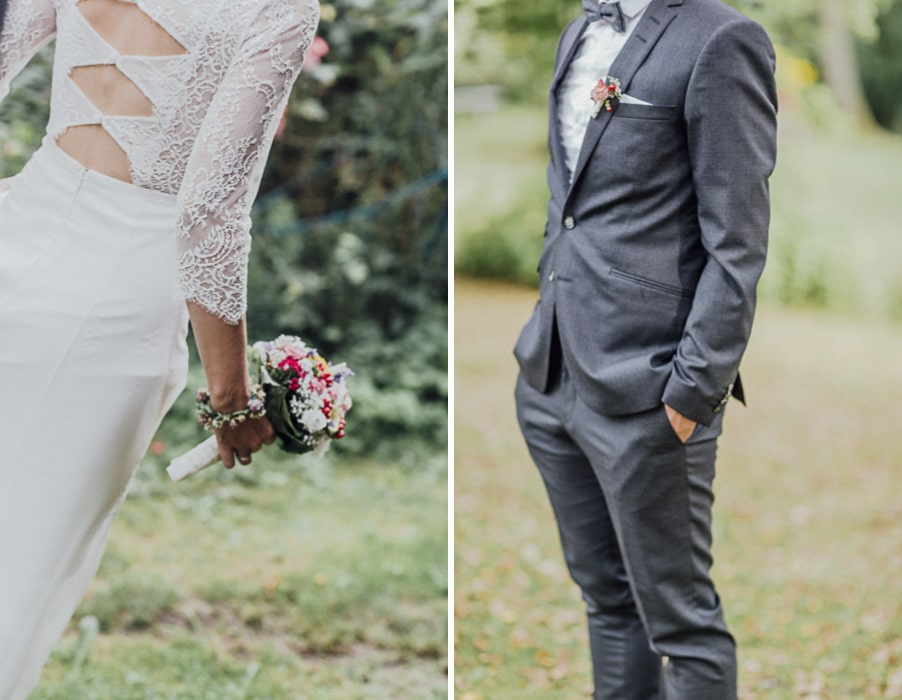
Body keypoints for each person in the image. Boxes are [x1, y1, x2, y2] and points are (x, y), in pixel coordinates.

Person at [0, 0, 319, 696]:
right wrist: (234, 402)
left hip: (15, 230)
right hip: (111, 306)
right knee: (18, 574)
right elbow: (207, 216)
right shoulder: (277, 8)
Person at [513, 0, 777, 698]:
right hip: (552, 374)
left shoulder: (722, 39)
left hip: (650, 388)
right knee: (607, 602)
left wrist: (691, 391)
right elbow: (569, 201)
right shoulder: (579, 30)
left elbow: (738, 242)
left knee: (682, 627)